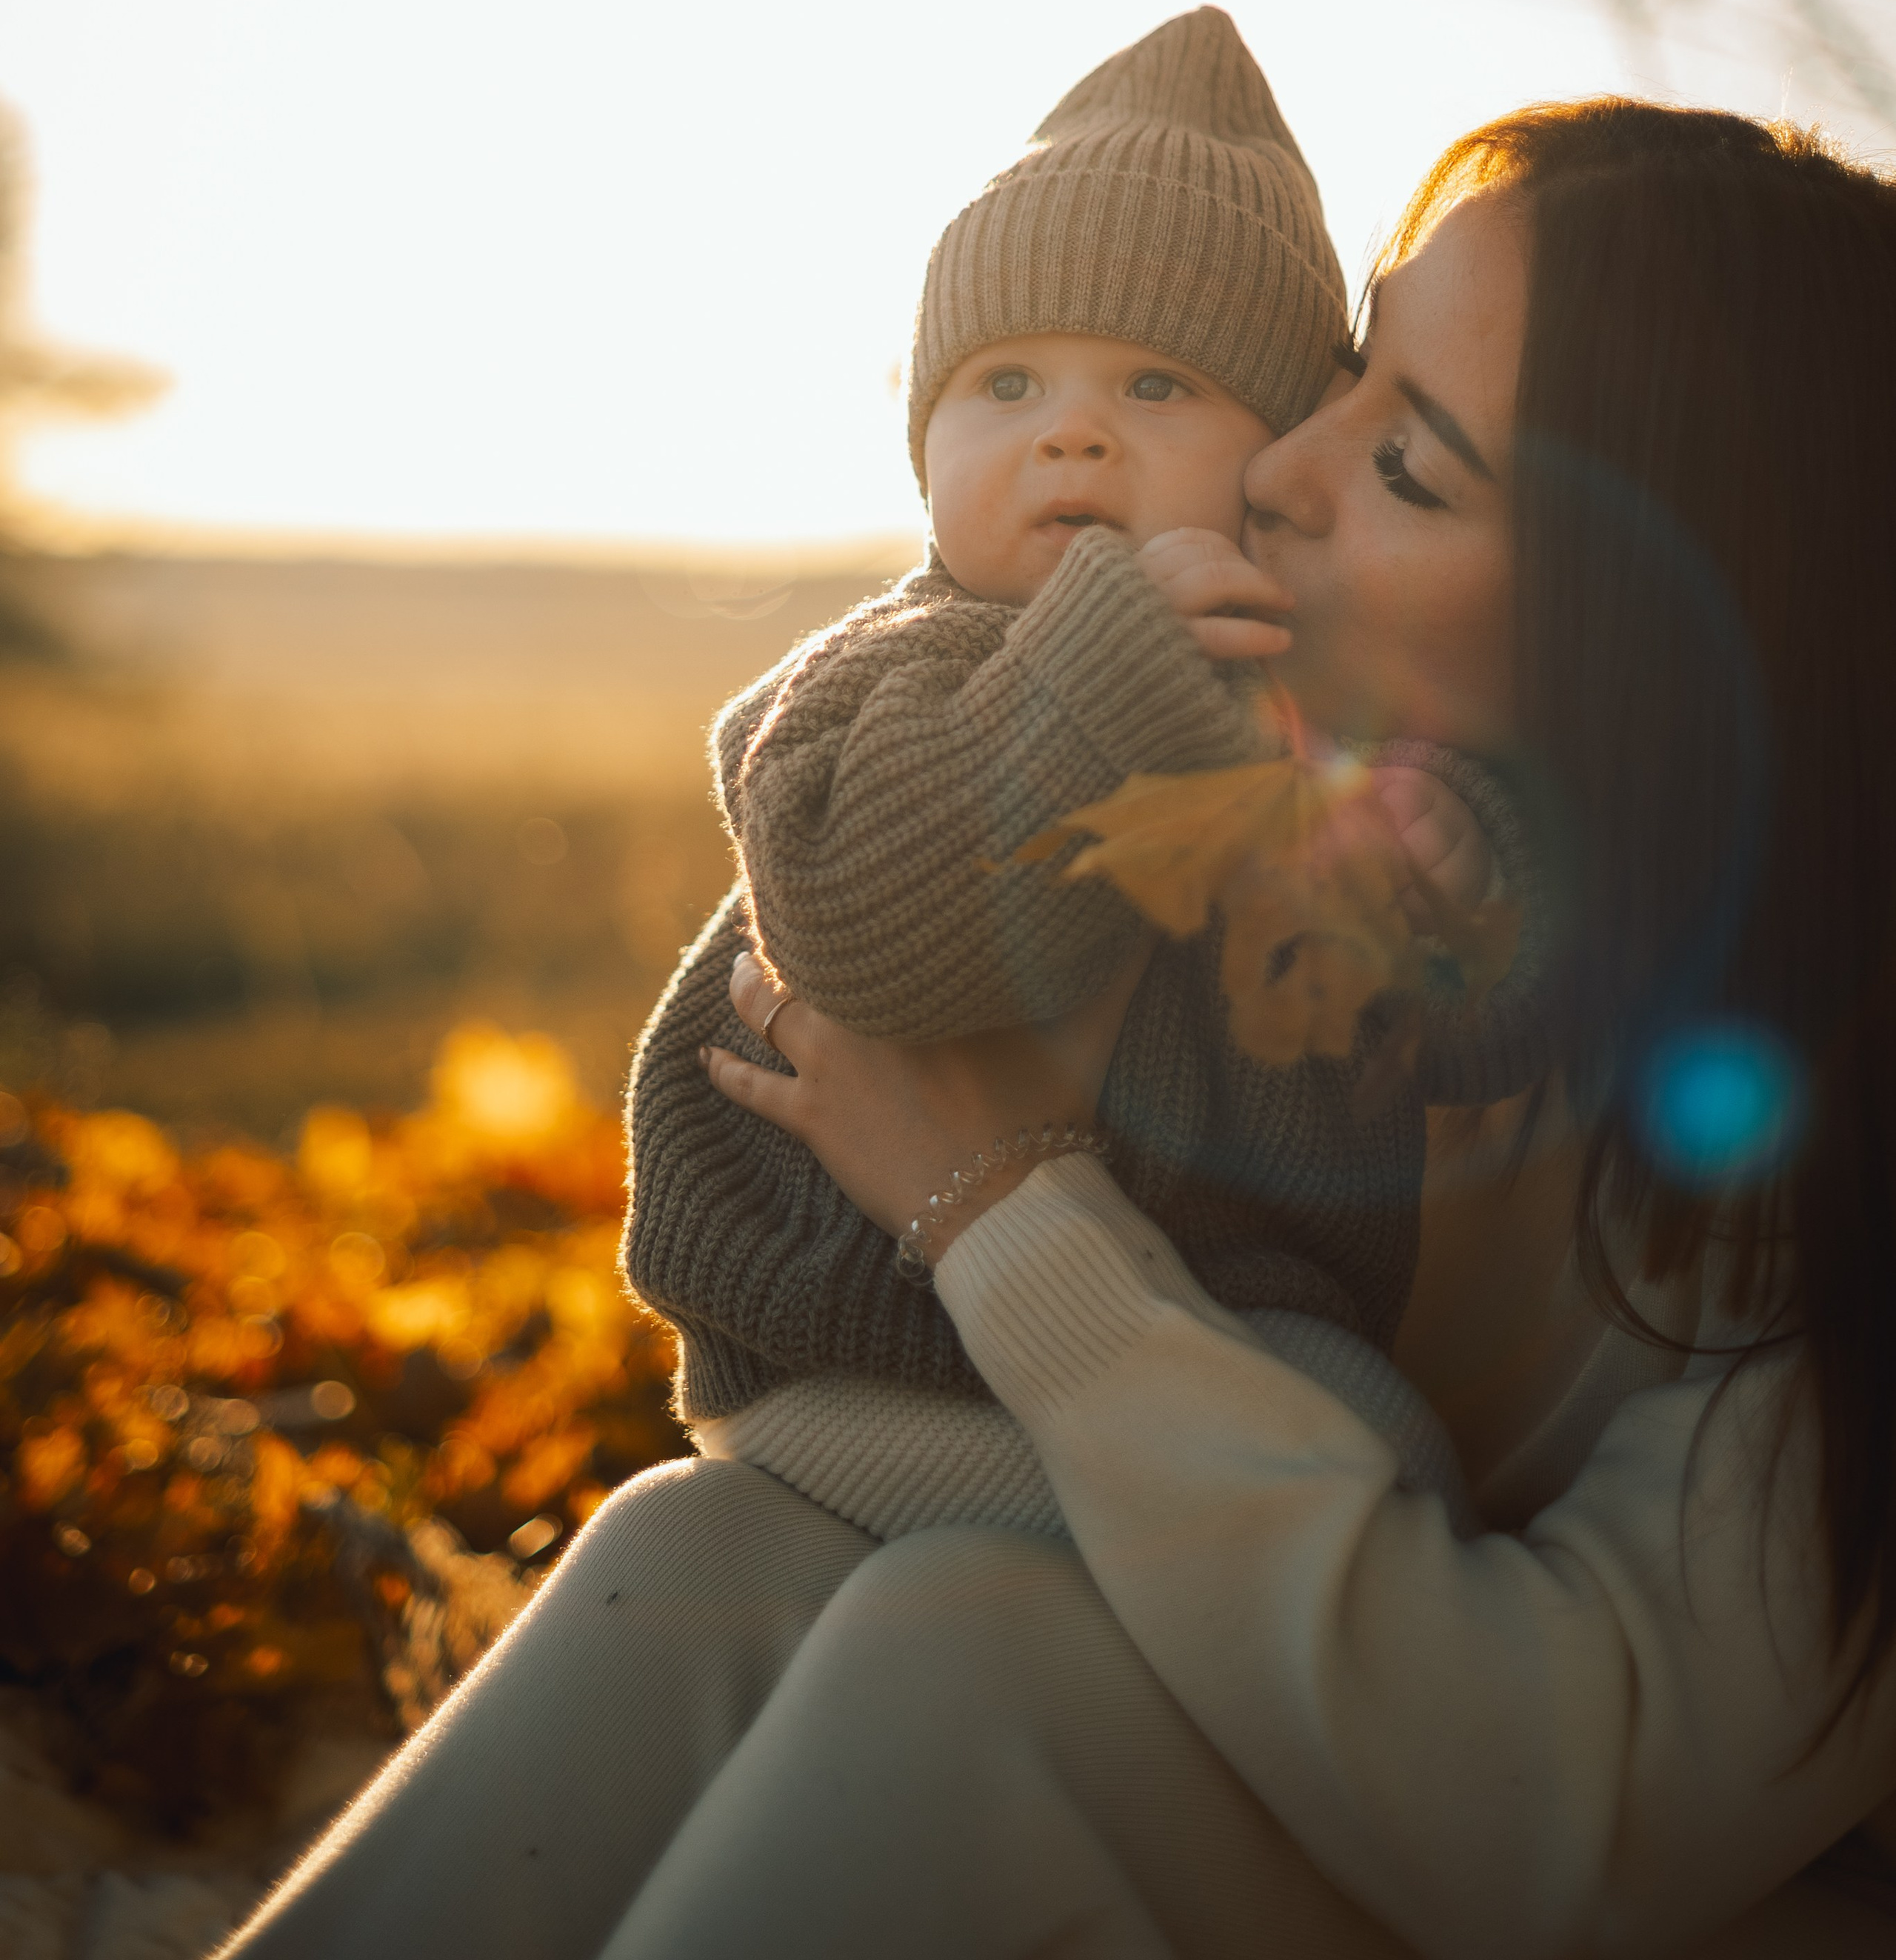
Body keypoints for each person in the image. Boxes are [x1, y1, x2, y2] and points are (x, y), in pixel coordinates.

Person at [221, 97, 1896, 1960]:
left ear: (1686, 627)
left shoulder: (1822, 1180)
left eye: (1407, 467)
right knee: (703, 1552)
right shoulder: (1308, 879)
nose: (1274, 467)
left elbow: (1557, 1804)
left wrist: (1002, 1198)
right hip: (1277, 1754)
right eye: (1343, 367)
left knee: (975, 1665)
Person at [624, 4, 1499, 1541]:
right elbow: (860, 931)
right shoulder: (898, 666)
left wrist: (1473, 872)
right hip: (870, 1335)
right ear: (922, 440)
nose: (1073, 437)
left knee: (1389, 1447)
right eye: (1005, 386)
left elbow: (1472, 1038)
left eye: (1156, 388)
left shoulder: (1317, 700)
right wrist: (1102, 668)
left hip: (1223, 1313)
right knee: (1288, 1511)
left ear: (1281, 444)